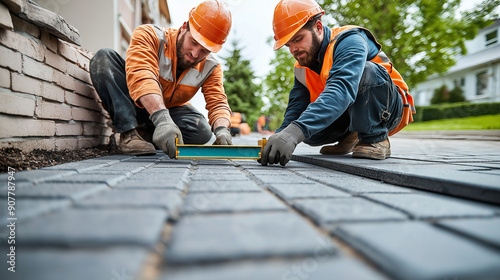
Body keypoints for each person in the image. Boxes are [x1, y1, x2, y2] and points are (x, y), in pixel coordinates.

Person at [260, 0, 415, 166]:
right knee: (310, 133)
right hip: (351, 107)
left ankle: (374, 138)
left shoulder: (350, 40)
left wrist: (295, 132)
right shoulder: (302, 66)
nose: (293, 50)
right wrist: (281, 136)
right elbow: (296, 107)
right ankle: (353, 135)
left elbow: (341, 89)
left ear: (318, 27)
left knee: (367, 70)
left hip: (391, 107)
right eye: (288, 45)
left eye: (298, 39)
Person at [89, 0, 233, 158]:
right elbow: (143, 76)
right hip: (131, 101)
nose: (195, 54)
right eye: (193, 42)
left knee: (202, 130)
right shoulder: (150, 36)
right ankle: (129, 133)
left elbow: (218, 102)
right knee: (104, 59)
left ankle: (148, 135)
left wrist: (222, 130)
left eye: (204, 51)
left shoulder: (211, 67)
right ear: (185, 27)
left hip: (167, 110)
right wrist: (162, 119)